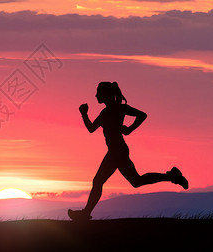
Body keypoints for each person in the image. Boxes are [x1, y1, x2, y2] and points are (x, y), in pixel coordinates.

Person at [68, 82, 188, 221]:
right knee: (134, 181)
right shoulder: (109, 111)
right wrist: (84, 114)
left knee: (101, 181)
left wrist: (129, 129)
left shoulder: (115, 109)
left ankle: (85, 213)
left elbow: (142, 115)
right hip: (116, 151)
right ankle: (172, 176)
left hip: (117, 151)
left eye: (98, 93)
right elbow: (92, 128)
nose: (96, 96)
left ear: (105, 95)